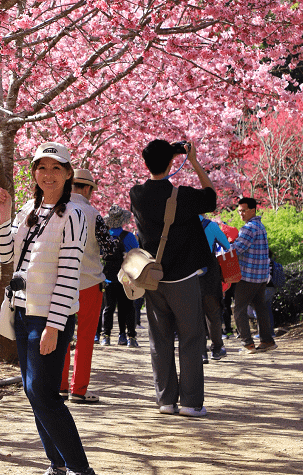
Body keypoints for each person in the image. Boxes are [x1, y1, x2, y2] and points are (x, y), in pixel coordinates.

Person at [0, 142, 98, 475]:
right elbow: (7, 255)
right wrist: (5, 216)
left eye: (56, 168)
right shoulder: (31, 209)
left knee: (43, 391)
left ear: (68, 174)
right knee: (32, 391)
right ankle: (56, 466)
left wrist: (54, 325)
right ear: (34, 173)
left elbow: (70, 272)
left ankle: (80, 468)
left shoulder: (74, 215)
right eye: (42, 168)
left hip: (48, 316)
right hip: (23, 310)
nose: (48, 175)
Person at [130, 139, 217, 418]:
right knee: (191, 337)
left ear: (146, 163)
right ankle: (191, 403)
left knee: (160, 338)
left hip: (152, 277)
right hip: (183, 277)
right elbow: (211, 197)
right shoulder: (183, 195)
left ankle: (166, 400)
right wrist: (191, 160)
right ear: (171, 162)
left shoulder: (136, 194)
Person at [61, 168, 116, 404]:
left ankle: (60, 385)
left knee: (61, 335)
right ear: (87, 188)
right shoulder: (93, 214)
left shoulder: (57, 210)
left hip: (61, 283)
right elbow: (109, 249)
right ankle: (79, 389)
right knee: (85, 338)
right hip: (89, 282)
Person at [232, 197, 276, 353]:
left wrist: (226, 244)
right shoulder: (260, 226)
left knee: (238, 309)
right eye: (239, 211)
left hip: (248, 276)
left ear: (253, 210)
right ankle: (267, 341)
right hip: (262, 276)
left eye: (244, 210)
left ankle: (247, 343)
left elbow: (238, 249)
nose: (241, 214)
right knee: (260, 307)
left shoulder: (249, 228)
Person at [99, 206, 139, 347]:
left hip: (108, 275)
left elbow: (99, 255)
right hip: (125, 276)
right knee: (127, 306)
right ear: (123, 221)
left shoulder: (104, 236)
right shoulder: (128, 236)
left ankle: (106, 336)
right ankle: (130, 337)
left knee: (108, 307)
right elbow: (137, 254)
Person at [199, 216, 231, 361]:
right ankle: (217, 348)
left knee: (195, 315)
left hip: (188, 274)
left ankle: (201, 352)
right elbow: (227, 246)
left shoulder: (181, 225)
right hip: (210, 275)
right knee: (213, 313)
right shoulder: (211, 226)